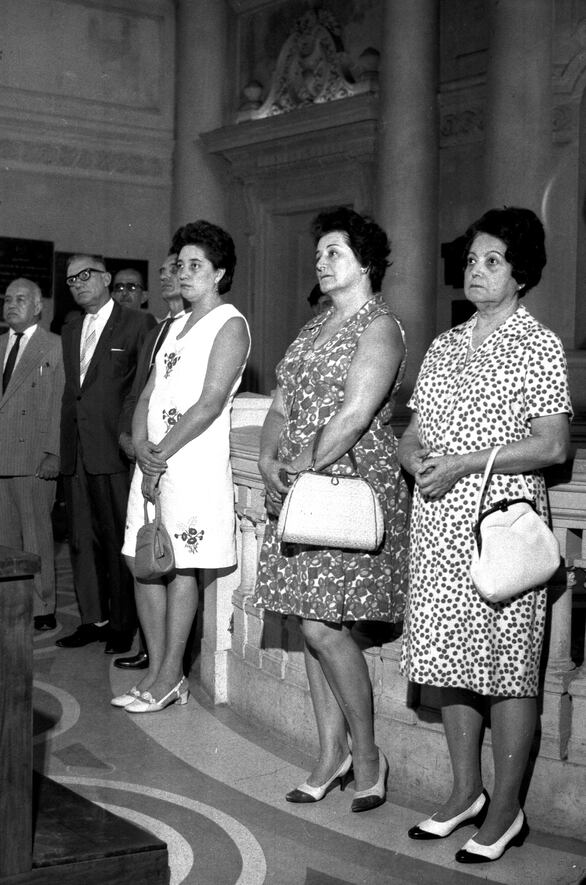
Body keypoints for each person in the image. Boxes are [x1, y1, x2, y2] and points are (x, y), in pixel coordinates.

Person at [398, 207, 571, 864]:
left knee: (506, 671)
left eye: (492, 260)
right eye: (471, 259)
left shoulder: (539, 343)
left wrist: (467, 462)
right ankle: (465, 791)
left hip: (499, 523)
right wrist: (414, 458)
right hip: (439, 522)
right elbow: (414, 429)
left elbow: (551, 444)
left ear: (520, 271)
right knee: (451, 664)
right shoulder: (445, 344)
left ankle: (506, 808)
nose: (476, 270)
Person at [253, 207, 409, 813]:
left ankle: (367, 756)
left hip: (345, 492)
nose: (321, 262)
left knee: (322, 628)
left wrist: (299, 475)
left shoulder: (381, 327)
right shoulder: (313, 325)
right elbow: (280, 404)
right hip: (298, 487)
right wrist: (270, 461)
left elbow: (353, 416)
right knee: (309, 623)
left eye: (334, 252)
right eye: (318, 254)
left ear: (365, 263)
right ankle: (329, 754)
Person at [115, 220, 250, 713]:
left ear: (220, 273)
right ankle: (156, 670)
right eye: (181, 265)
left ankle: (171, 675)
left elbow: (210, 402)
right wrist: (141, 446)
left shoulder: (230, 324)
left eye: (196, 266)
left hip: (189, 462)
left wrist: (162, 452)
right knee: (140, 561)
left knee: (180, 569)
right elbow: (148, 392)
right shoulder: (173, 326)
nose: (185, 273)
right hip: (154, 459)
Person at [56, 254, 156, 654]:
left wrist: (130, 438)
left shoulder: (137, 323)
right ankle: (92, 619)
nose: (78, 284)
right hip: (76, 449)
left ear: (105, 278)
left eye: (85, 276)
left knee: (118, 538)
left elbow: (141, 390)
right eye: (70, 280)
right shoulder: (70, 328)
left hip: (114, 451)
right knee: (81, 540)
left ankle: (122, 624)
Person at [0, 278, 64, 631]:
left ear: (38, 307)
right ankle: (7, 602)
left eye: (21, 299)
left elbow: (58, 407)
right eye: (7, 299)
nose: (11, 304)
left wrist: (54, 454)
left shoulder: (55, 347)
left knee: (36, 536)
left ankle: (42, 607)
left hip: (33, 459)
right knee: (0, 539)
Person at [114, 250, 186, 671]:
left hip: (169, 455)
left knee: (172, 560)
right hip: (140, 452)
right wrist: (127, 436)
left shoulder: (199, 330)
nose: (165, 276)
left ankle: (168, 661)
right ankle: (151, 648)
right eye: (161, 270)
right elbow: (136, 390)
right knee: (141, 555)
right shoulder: (155, 330)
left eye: (174, 268)